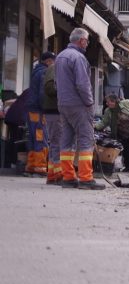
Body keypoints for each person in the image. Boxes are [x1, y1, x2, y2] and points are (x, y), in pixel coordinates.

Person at [55, 28, 105, 190]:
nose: (88, 43)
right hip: (79, 105)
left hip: (63, 104)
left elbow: (56, 83)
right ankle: (85, 178)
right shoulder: (78, 58)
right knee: (85, 140)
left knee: (66, 140)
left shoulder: (60, 56)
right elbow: (83, 84)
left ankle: (68, 177)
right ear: (82, 40)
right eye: (87, 40)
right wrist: (89, 103)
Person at [94, 94, 129, 172]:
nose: (107, 104)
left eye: (108, 102)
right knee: (126, 150)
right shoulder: (108, 111)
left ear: (114, 101)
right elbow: (103, 122)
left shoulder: (126, 103)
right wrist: (95, 127)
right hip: (122, 133)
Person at [25, 52, 56, 176]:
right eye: (53, 62)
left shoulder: (36, 71)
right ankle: (40, 167)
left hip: (32, 109)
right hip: (39, 110)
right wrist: (46, 108)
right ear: (48, 61)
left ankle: (31, 166)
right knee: (41, 137)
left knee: (33, 137)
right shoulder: (44, 72)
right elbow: (43, 94)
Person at [41, 54, 63, 184]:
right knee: (57, 142)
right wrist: (66, 90)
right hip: (55, 110)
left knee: (56, 142)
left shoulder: (55, 69)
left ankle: (53, 174)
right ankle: (57, 175)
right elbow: (49, 89)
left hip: (55, 110)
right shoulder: (54, 68)